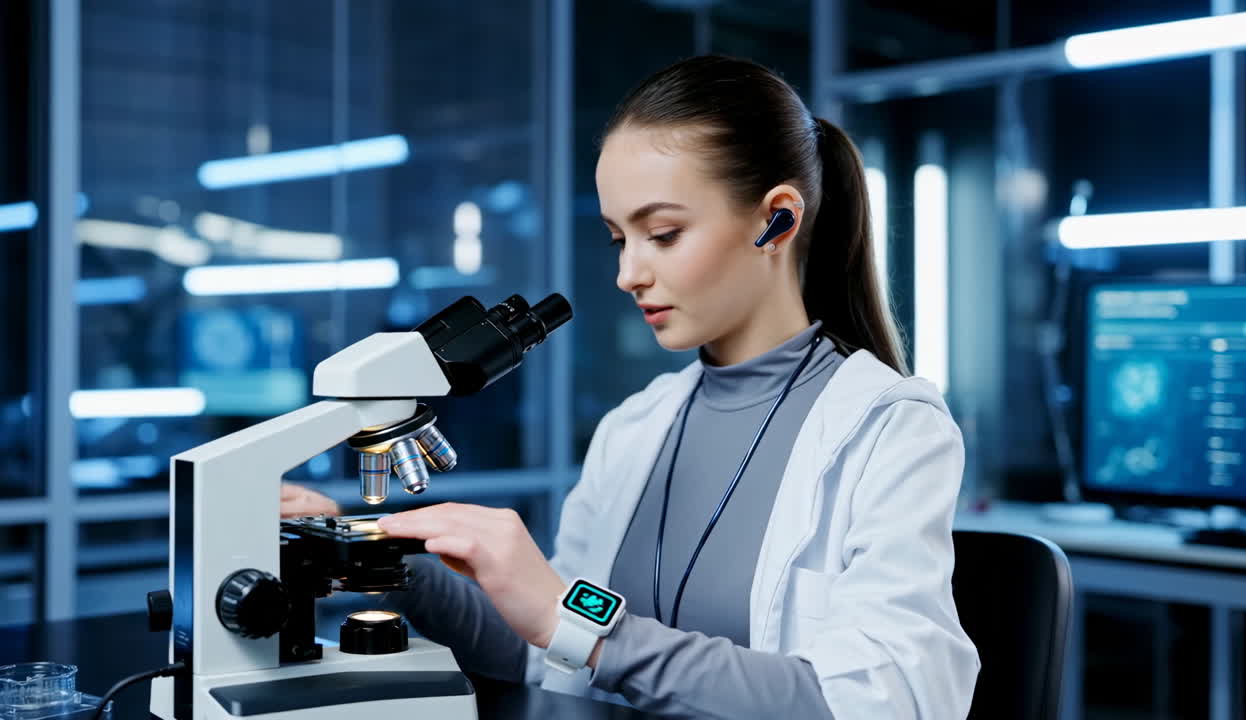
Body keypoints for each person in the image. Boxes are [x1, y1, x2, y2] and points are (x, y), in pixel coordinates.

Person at [283, 55, 978, 719]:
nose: (629, 274)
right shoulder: (636, 427)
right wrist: (373, 548)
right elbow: (546, 662)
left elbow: (878, 706)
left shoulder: (890, 428)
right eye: (620, 239)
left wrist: (581, 623)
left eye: (663, 233)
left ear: (778, 220)